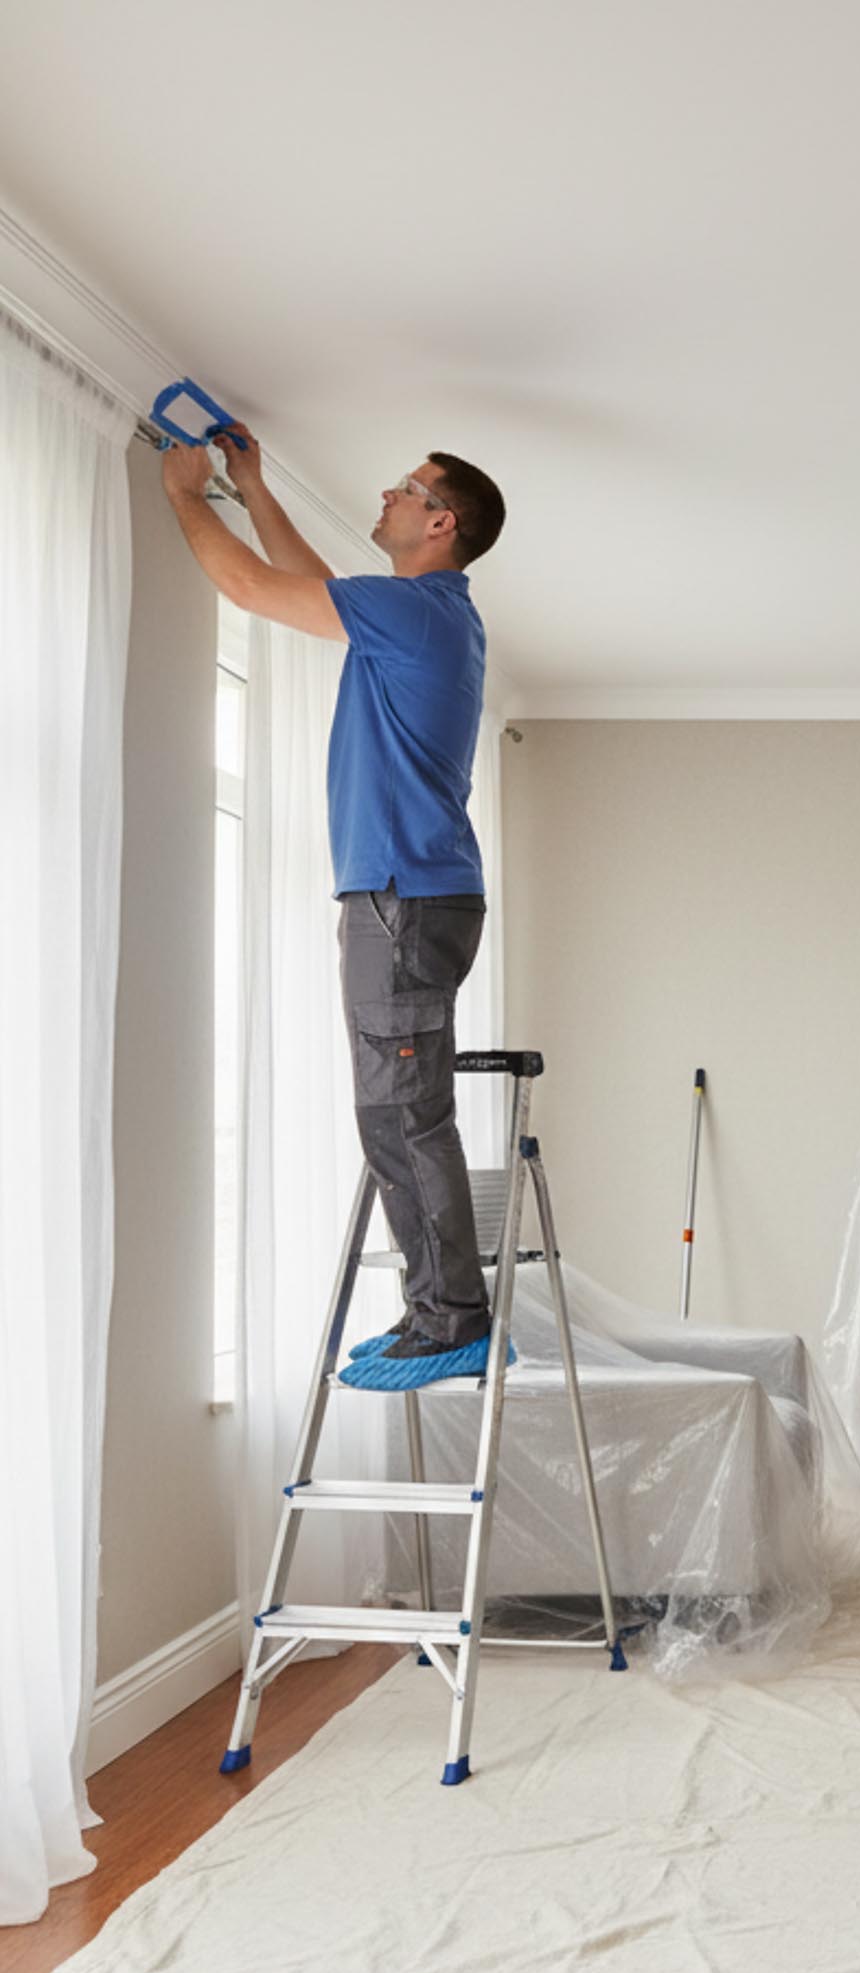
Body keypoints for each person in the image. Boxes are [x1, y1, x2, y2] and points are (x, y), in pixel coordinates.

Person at [161, 427, 508, 1391]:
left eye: (407, 488)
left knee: (401, 1114)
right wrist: (253, 486)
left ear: (441, 522)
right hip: (410, 893)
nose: (387, 495)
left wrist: (187, 493)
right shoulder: (414, 615)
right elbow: (307, 583)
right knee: (400, 1110)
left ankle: (450, 1318)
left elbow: (248, 590)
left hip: (401, 895)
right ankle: (438, 1308)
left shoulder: (421, 616)